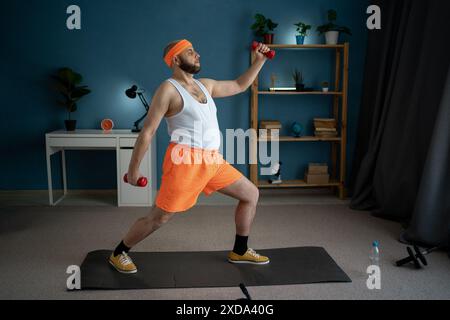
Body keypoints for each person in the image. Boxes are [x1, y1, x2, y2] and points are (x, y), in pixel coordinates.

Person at [109, 39, 271, 273]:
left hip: (213, 161)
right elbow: (148, 131)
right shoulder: (168, 89)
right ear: (175, 60)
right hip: (185, 163)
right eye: (190, 52)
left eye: (195, 51)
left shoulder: (205, 85)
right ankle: (119, 252)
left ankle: (240, 250)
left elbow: (239, 85)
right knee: (159, 218)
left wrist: (260, 61)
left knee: (251, 194)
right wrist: (133, 169)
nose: (197, 55)